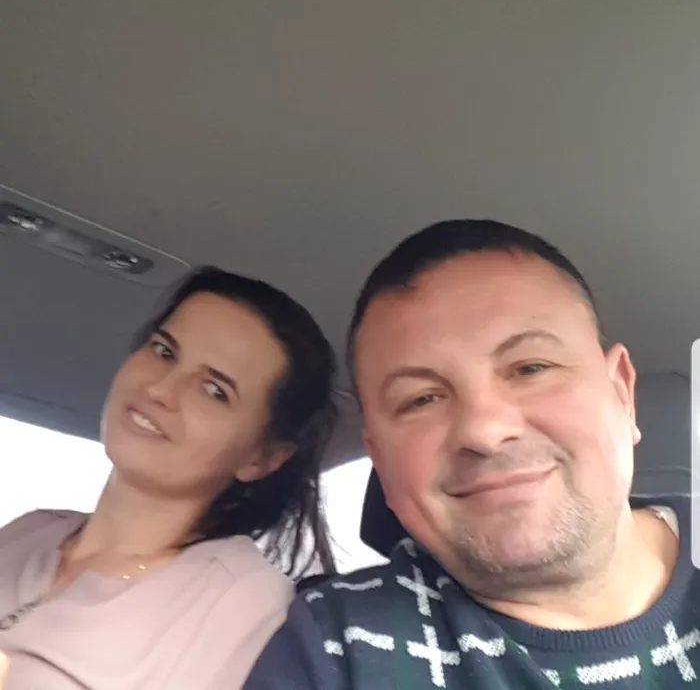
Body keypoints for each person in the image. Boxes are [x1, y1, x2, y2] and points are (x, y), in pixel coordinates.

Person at [243, 219, 698, 689]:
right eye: (422, 399)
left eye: (530, 368)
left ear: (622, 392)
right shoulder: (333, 650)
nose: (484, 431)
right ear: (380, 459)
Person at [0, 266, 337, 689]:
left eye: (214, 391)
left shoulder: (239, 598)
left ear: (262, 457)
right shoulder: (29, 531)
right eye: (163, 351)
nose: (160, 389)